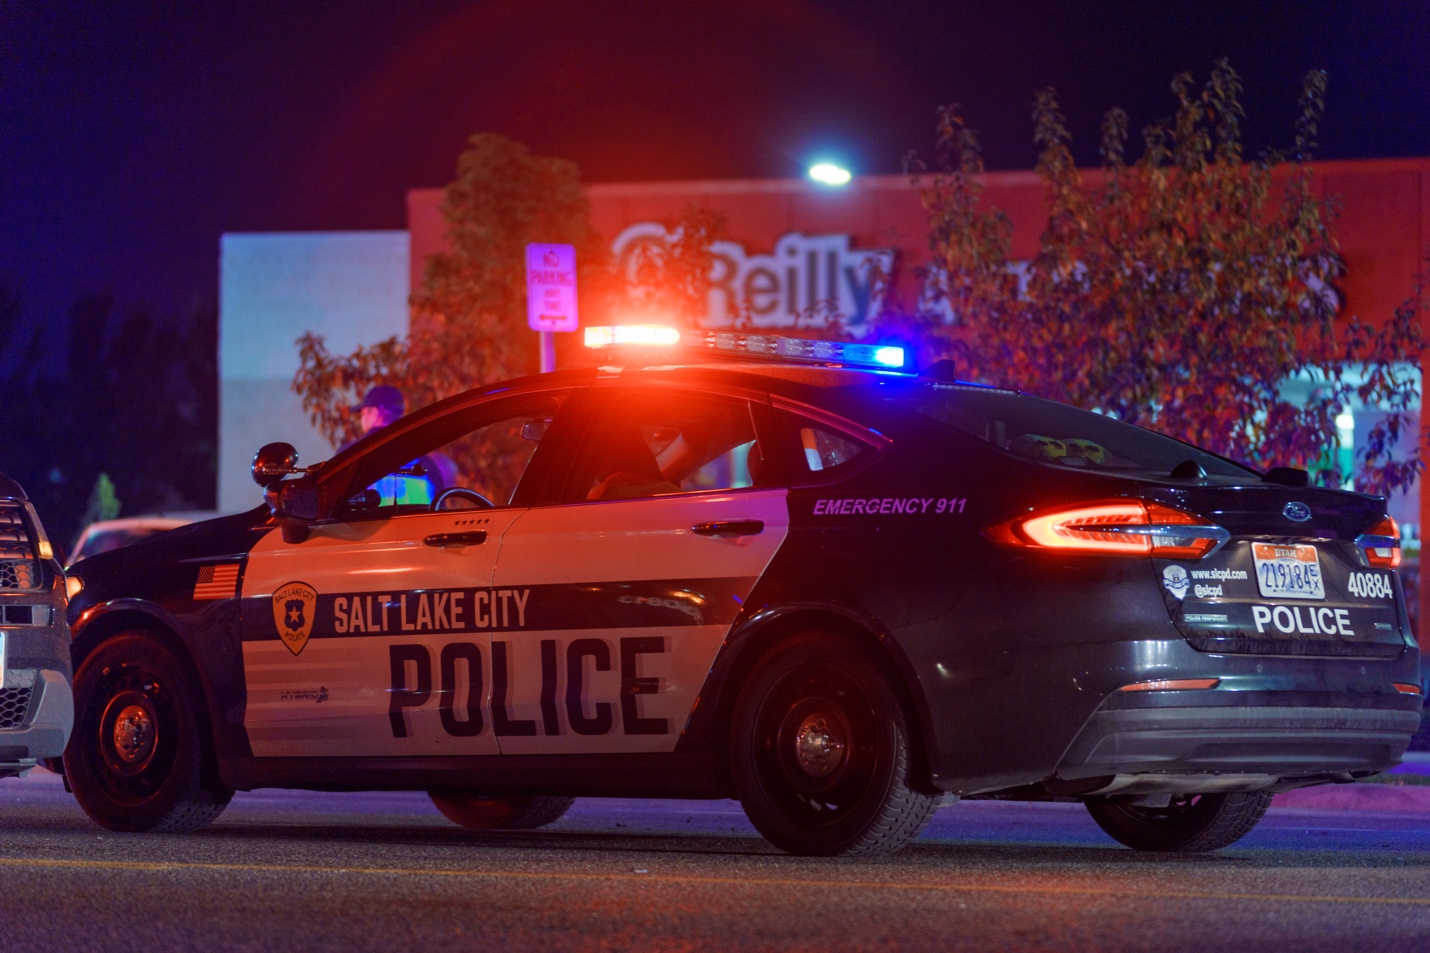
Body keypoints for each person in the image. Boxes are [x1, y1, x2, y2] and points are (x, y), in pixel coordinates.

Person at [346, 385, 456, 507]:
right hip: (418, 525)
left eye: (364, 414)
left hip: (366, 526)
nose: (362, 420)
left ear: (375, 413)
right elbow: (440, 508)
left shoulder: (352, 456)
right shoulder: (424, 462)